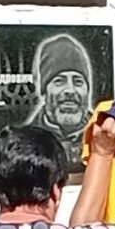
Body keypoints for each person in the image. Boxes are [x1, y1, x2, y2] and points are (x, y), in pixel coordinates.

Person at [27, 33, 93, 169]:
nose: (70, 90)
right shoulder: (25, 141)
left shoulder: (105, 134)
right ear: (44, 90)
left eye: (78, 81)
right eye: (59, 81)